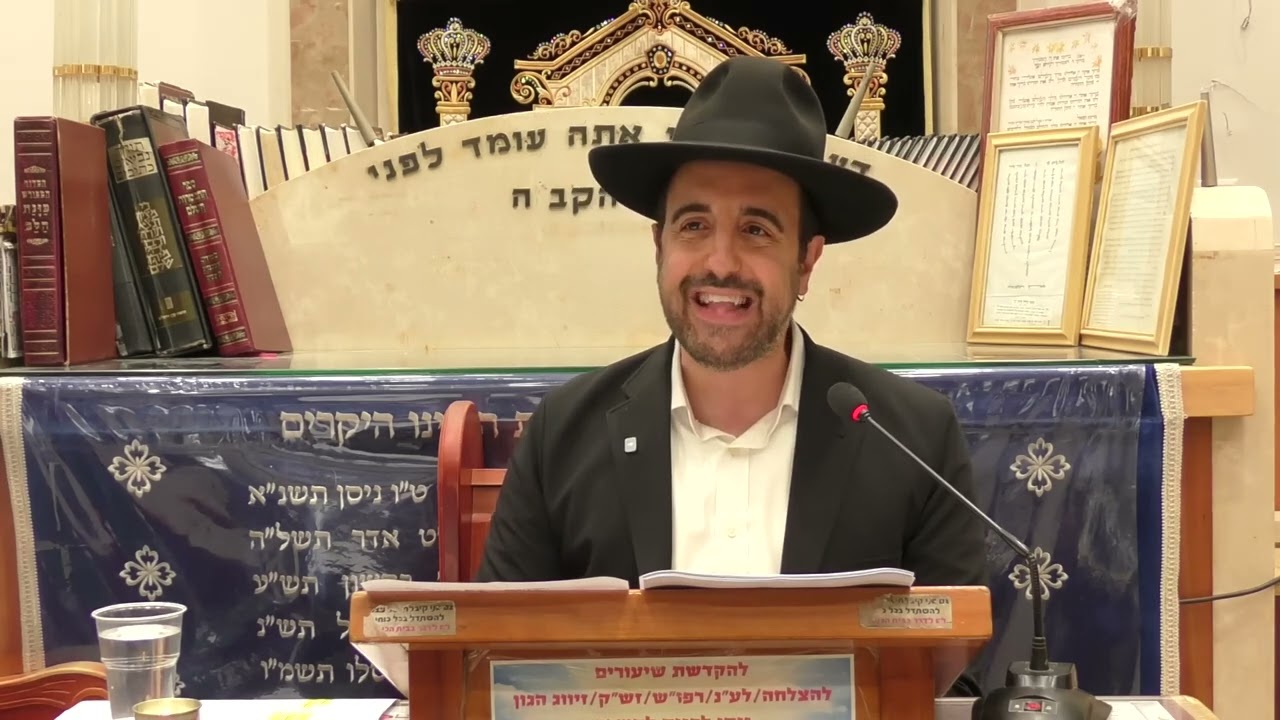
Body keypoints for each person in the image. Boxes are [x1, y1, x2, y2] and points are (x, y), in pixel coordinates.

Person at [476, 56, 986, 694]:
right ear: (659, 246)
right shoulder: (563, 435)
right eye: (694, 226)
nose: (720, 262)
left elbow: (948, 685)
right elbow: (495, 670)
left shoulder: (912, 438)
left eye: (756, 230)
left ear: (807, 262)